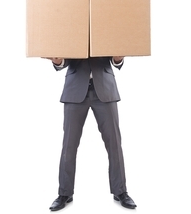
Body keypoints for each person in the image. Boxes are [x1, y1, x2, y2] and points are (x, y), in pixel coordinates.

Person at [46, 56, 137, 211]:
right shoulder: (71, 31)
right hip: (75, 90)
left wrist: (118, 59)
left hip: (105, 89)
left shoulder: (106, 30)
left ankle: (120, 191)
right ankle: (64, 193)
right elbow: (63, 60)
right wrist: (57, 61)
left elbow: (116, 56)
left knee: (114, 143)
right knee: (69, 145)